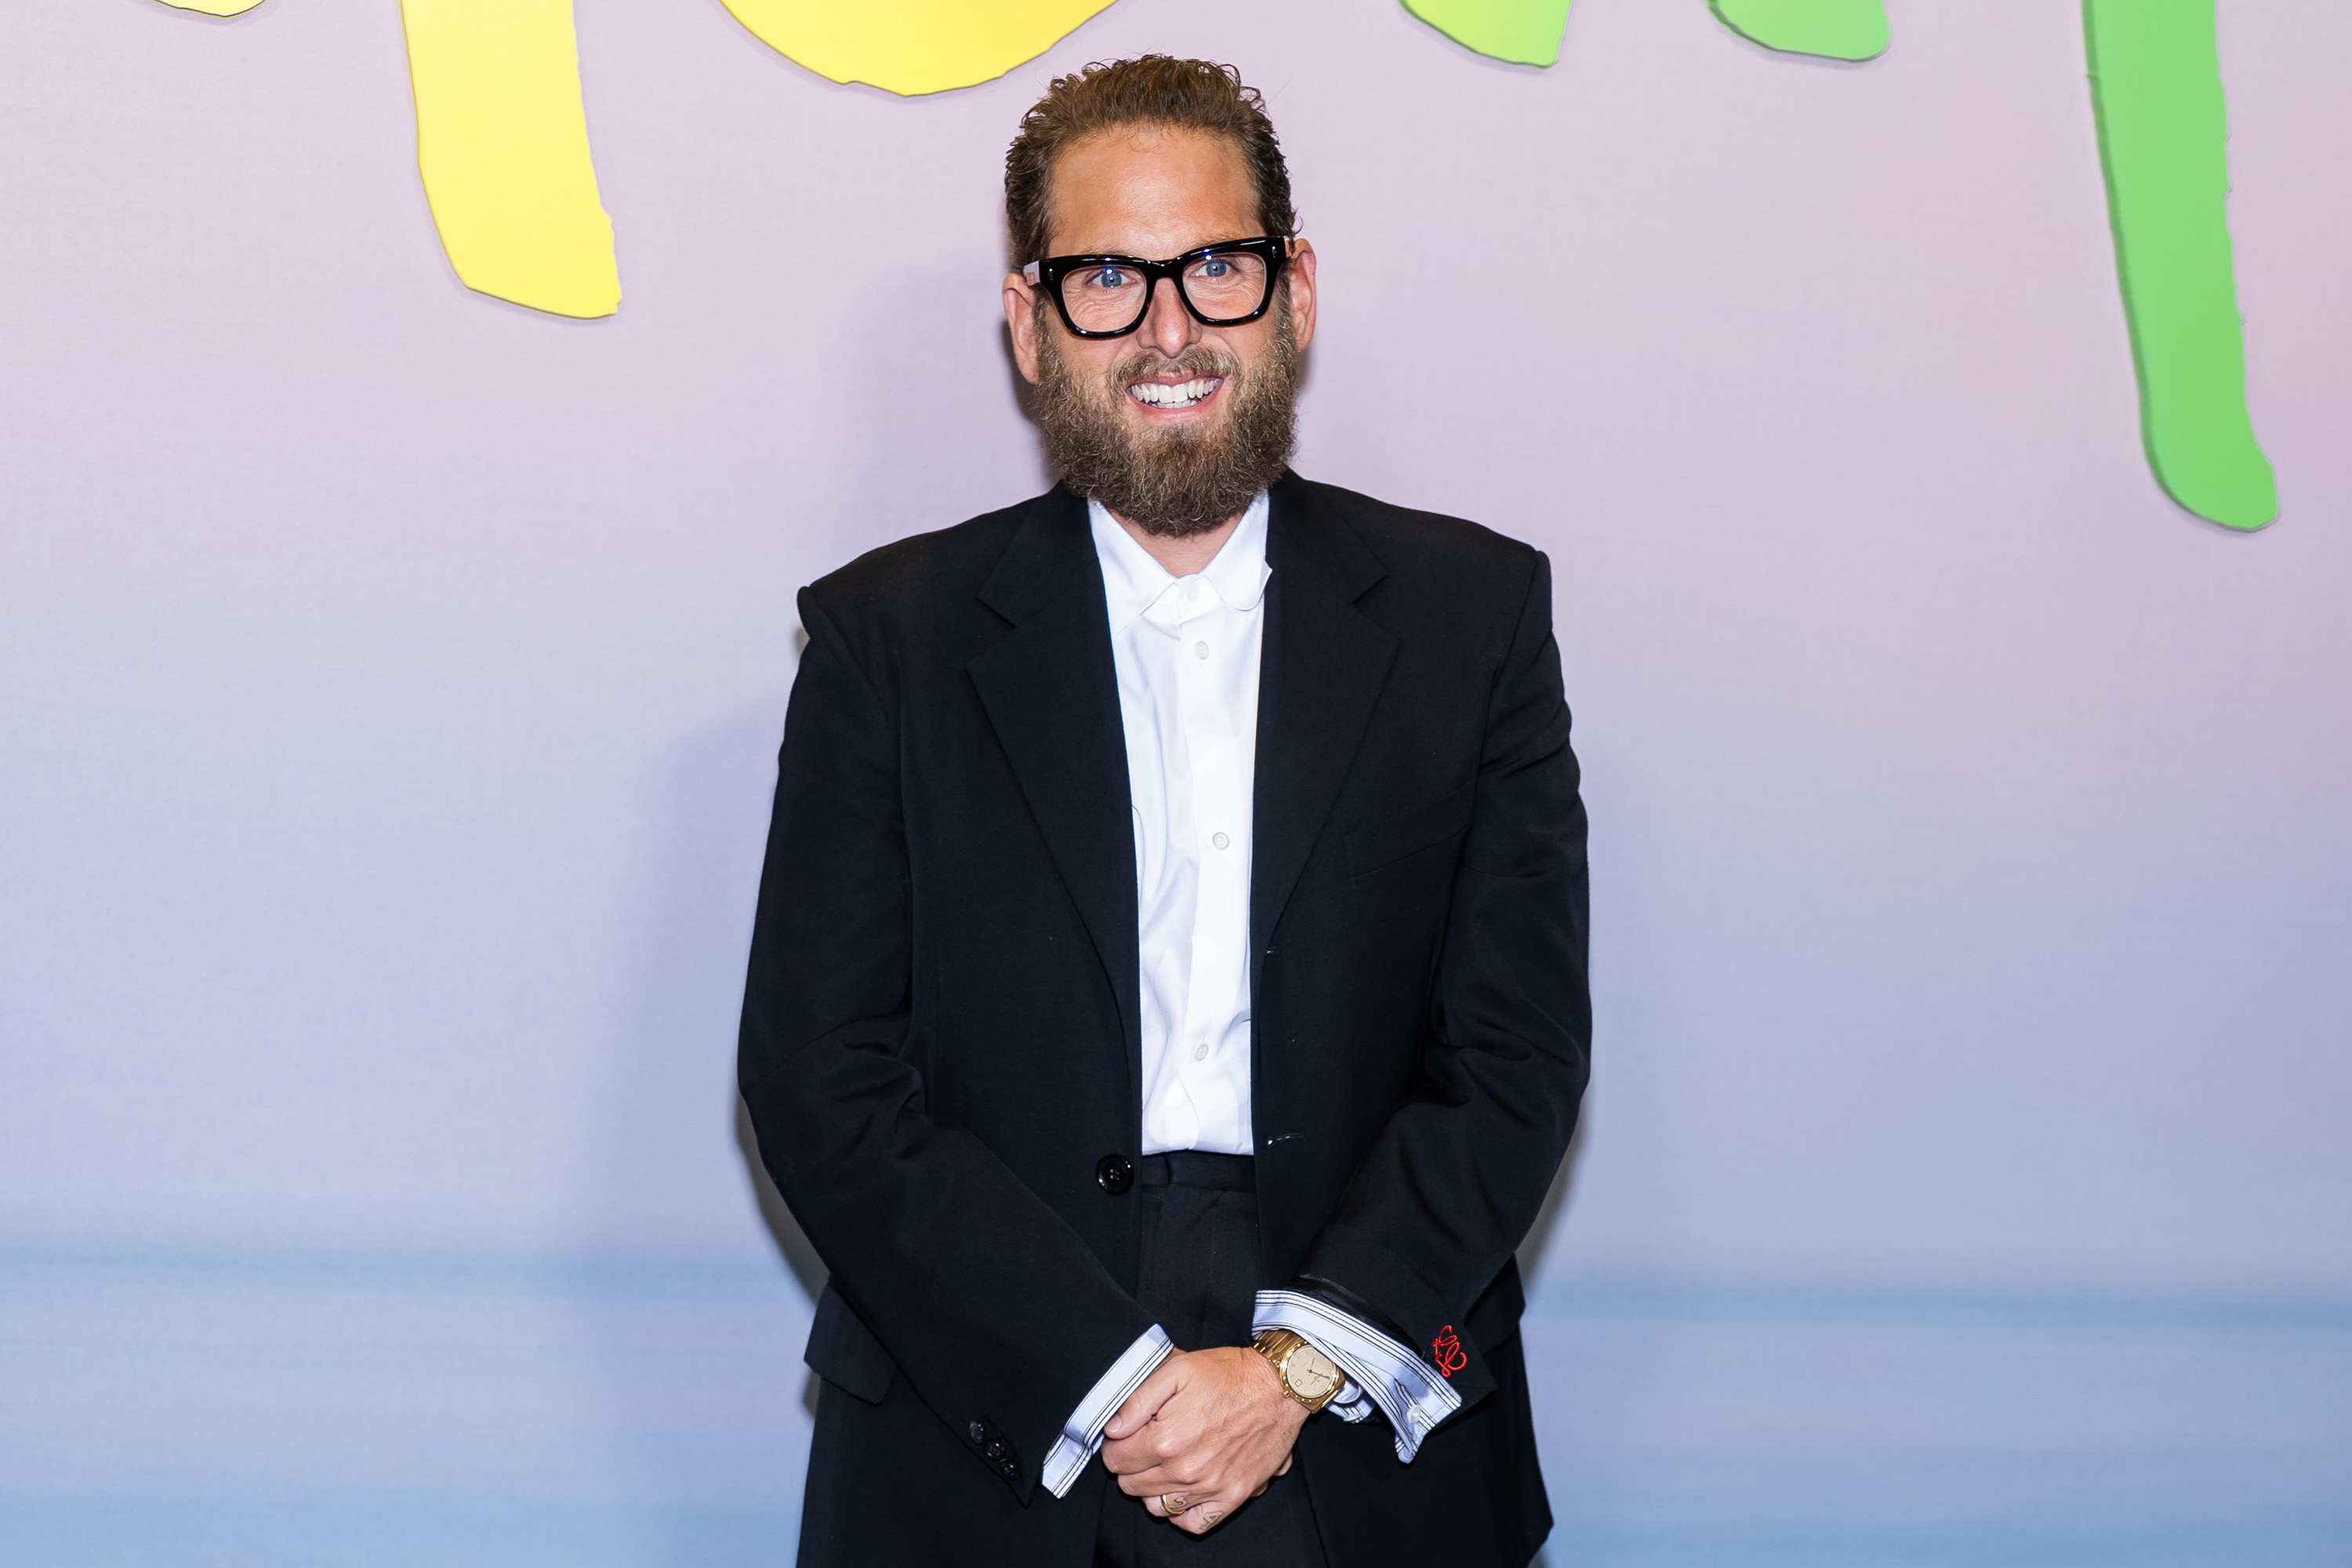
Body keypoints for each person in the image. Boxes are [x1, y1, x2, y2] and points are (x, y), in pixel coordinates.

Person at [739, 55, 1590, 1568]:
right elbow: (820, 1075)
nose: (1170, 328)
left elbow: (1515, 1059)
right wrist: (1109, 1378)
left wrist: (1291, 1372)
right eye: (1107, 281)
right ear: (1029, 324)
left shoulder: (1475, 620)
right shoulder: (886, 642)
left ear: (1295, 290)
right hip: (980, 1395)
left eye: (1215, 266)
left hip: (1358, 1393)